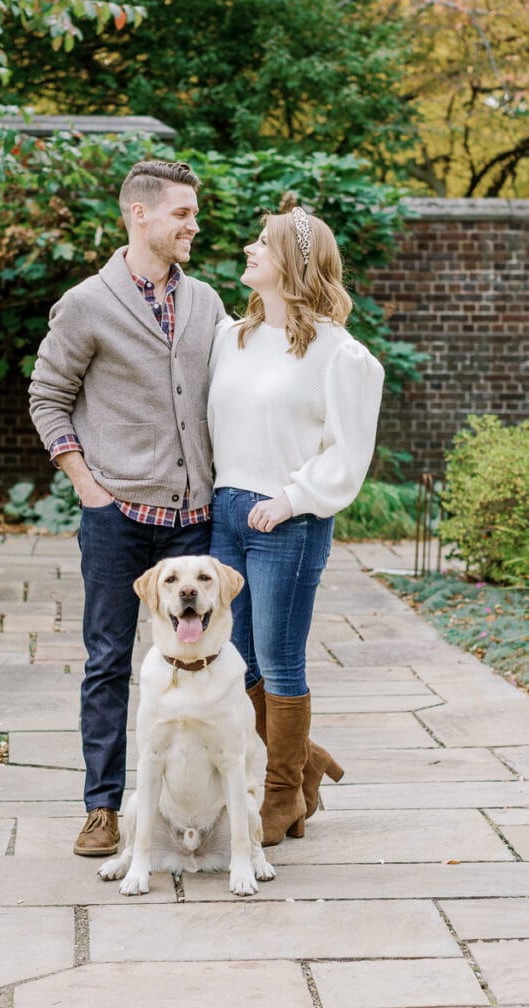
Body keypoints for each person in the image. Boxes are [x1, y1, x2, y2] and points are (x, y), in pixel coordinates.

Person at [29, 159, 225, 857]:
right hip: (118, 521)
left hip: (195, 523)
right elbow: (46, 396)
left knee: (209, 663)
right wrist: (87, 486)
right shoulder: (86, 304)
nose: (192, 225)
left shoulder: (205, 302)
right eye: (181, 213)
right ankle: (103, 808)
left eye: (193, 213)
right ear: (137, 214)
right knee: (110, 660)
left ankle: (219, 801)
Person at [208, 204, 384, 847]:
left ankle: (282, 796)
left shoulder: (341, 355)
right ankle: (303, 759)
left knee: (280, 662)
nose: (250, 249)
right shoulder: (232, 338)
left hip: (288, 520)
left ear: (295, 265)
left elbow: (349, 449)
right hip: (225, 513)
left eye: (263, 242)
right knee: (238, 658)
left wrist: (292, 498)